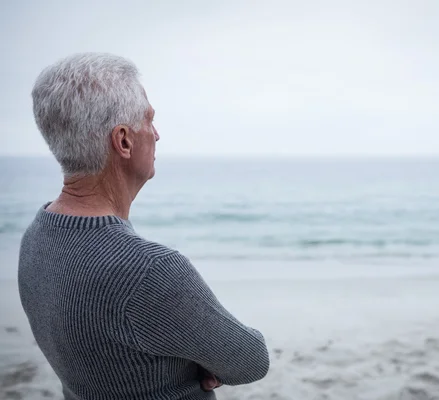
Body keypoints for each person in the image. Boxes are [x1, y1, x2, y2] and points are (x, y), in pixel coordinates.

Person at [18, 53, 270, 400]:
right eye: (148, 120)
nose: (157, 134)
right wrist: (201, 361)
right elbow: (250, 360)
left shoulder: (37, 236)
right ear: (123, 141)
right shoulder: (149, 271)